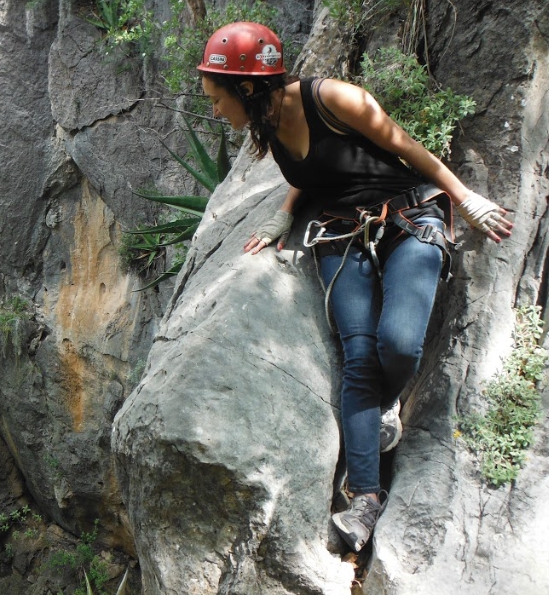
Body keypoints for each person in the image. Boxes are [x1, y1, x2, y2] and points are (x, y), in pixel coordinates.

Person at [196, 22, 513, 552]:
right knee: (359, 356)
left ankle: (383, 405)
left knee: (399, 343)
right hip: (341, 232)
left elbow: (408, 148)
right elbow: (309, 172)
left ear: (247, 88)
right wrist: (284, 212)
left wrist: (464, 198)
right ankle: (365, 500)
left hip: (409, 218)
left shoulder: (333, 99)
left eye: (216, 97)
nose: (213, 110)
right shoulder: (267, 121)